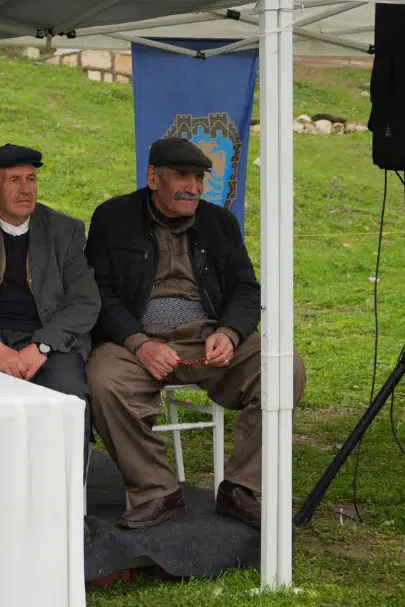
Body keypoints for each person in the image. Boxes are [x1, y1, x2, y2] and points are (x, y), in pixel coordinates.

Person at [85, 137, 306, 530]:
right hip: (136, 340)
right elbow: (98, 291)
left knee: (282, 366)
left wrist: (230, 333)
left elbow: (245, 288)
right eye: (182, 177)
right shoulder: (113, 217)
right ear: (153, 177)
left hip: (206, 336)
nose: (194, 187)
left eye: (200, 178)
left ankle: (241, 488)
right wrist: (140, 344)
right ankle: (157, 491)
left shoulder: (220, 222)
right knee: (103, 379)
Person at [0, 144, 99, 414]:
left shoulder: (64, 230)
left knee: (67, 395)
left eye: (31, 179)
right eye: (14, 180)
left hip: (48, 340)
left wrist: (42, 346)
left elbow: (85, 300)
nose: (25, 189)